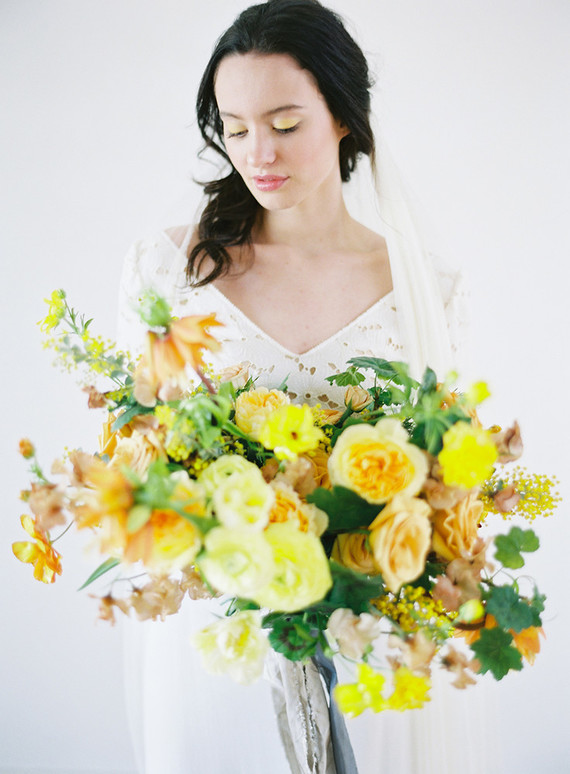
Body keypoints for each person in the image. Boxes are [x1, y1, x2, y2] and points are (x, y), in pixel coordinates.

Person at [118, 2, 490, 773]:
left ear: (344, 116)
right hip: (219, 644)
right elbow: (136, 458)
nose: (258, 153)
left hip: (367, 643)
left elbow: (451, 480)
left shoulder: (427, 288)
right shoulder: (168, 270)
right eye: (236, 128)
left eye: (285, 124)